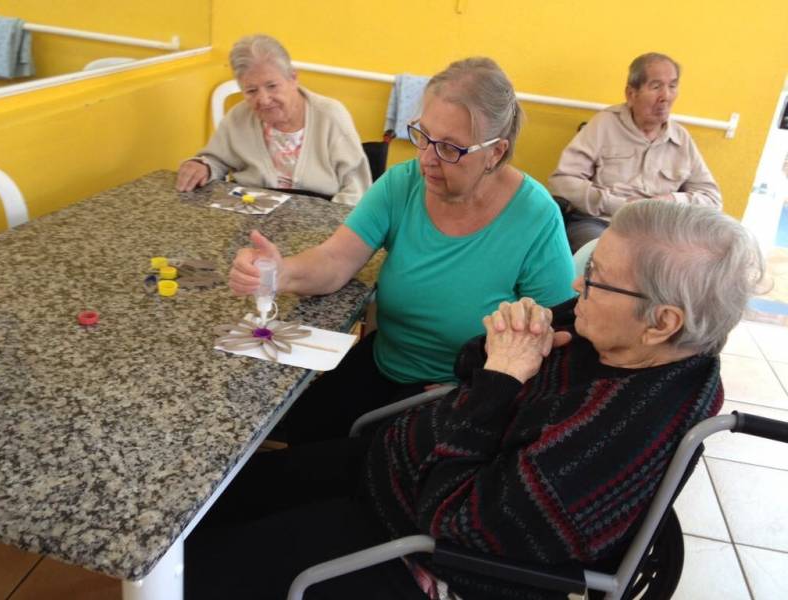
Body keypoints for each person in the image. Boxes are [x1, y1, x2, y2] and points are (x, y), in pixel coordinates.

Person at [186, 200, 765, 600]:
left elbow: (452, 523)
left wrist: (502, 380)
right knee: (217, 498)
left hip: (418, 546)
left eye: (597, 279)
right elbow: (469, 363)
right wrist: (498, 350)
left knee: (194, 571)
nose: (574, 288)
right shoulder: (609, 333)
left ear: (663, 322)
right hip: (390, 470)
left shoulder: (624, 428)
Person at [228, 57, 575, 443]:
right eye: (423, 136)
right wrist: (279, 271)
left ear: (495, 152)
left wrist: (478, 390)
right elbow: (336, 259)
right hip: (385, 363)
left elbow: (558, 336)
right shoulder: (402, 184)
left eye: (450, 148)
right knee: (279, 431)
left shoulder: (535, 216)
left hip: (458, 393)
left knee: (312, 475)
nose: (426, 158)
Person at [548, 52, 722, 253]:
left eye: (672, 86)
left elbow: (712, 198)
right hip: (602, 223)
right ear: (631, 94)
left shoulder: (681, 138)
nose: (665, 96)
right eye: (656, 87)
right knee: (607, 255)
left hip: (657, 231)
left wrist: (671, 201)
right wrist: (617, 204)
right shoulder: (604, 125)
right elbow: (563, 181)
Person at [176, 34, 371, 206]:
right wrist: (203, 166)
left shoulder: (330, 116)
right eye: (251, 91)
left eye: (272, 86)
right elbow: (216, 160)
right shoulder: (238, 117)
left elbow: (357, 190)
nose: (263, 99)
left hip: (319, 226)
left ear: (293, 78)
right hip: (250, 219)